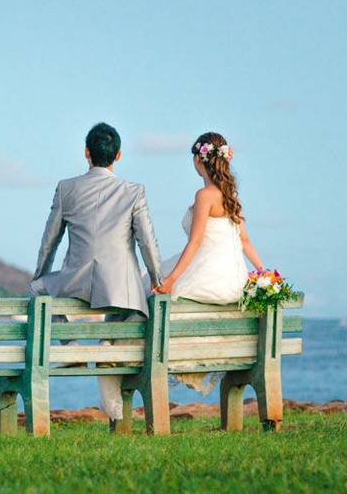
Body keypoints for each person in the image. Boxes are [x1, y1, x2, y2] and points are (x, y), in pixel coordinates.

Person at [30, 122, 162, 422]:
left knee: (35, 289)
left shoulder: (67, 188)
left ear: (86, 153)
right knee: (129, 306)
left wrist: (40, 275)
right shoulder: (134, 191)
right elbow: (147, 242)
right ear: (118, 155)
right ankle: (110, 348)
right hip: (121, 288)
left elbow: (49, 240)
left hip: (75, 281)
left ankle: (70, 347)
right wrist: (157, 279)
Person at [153, 131, 265, 393]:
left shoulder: (205, 196)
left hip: (208, 276)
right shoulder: (231, 195)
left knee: (153, 279)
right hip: (233, 280)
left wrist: (171, 280)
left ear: (198, 160)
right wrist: (263, 274)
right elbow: (245, 242)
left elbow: (195, 243)